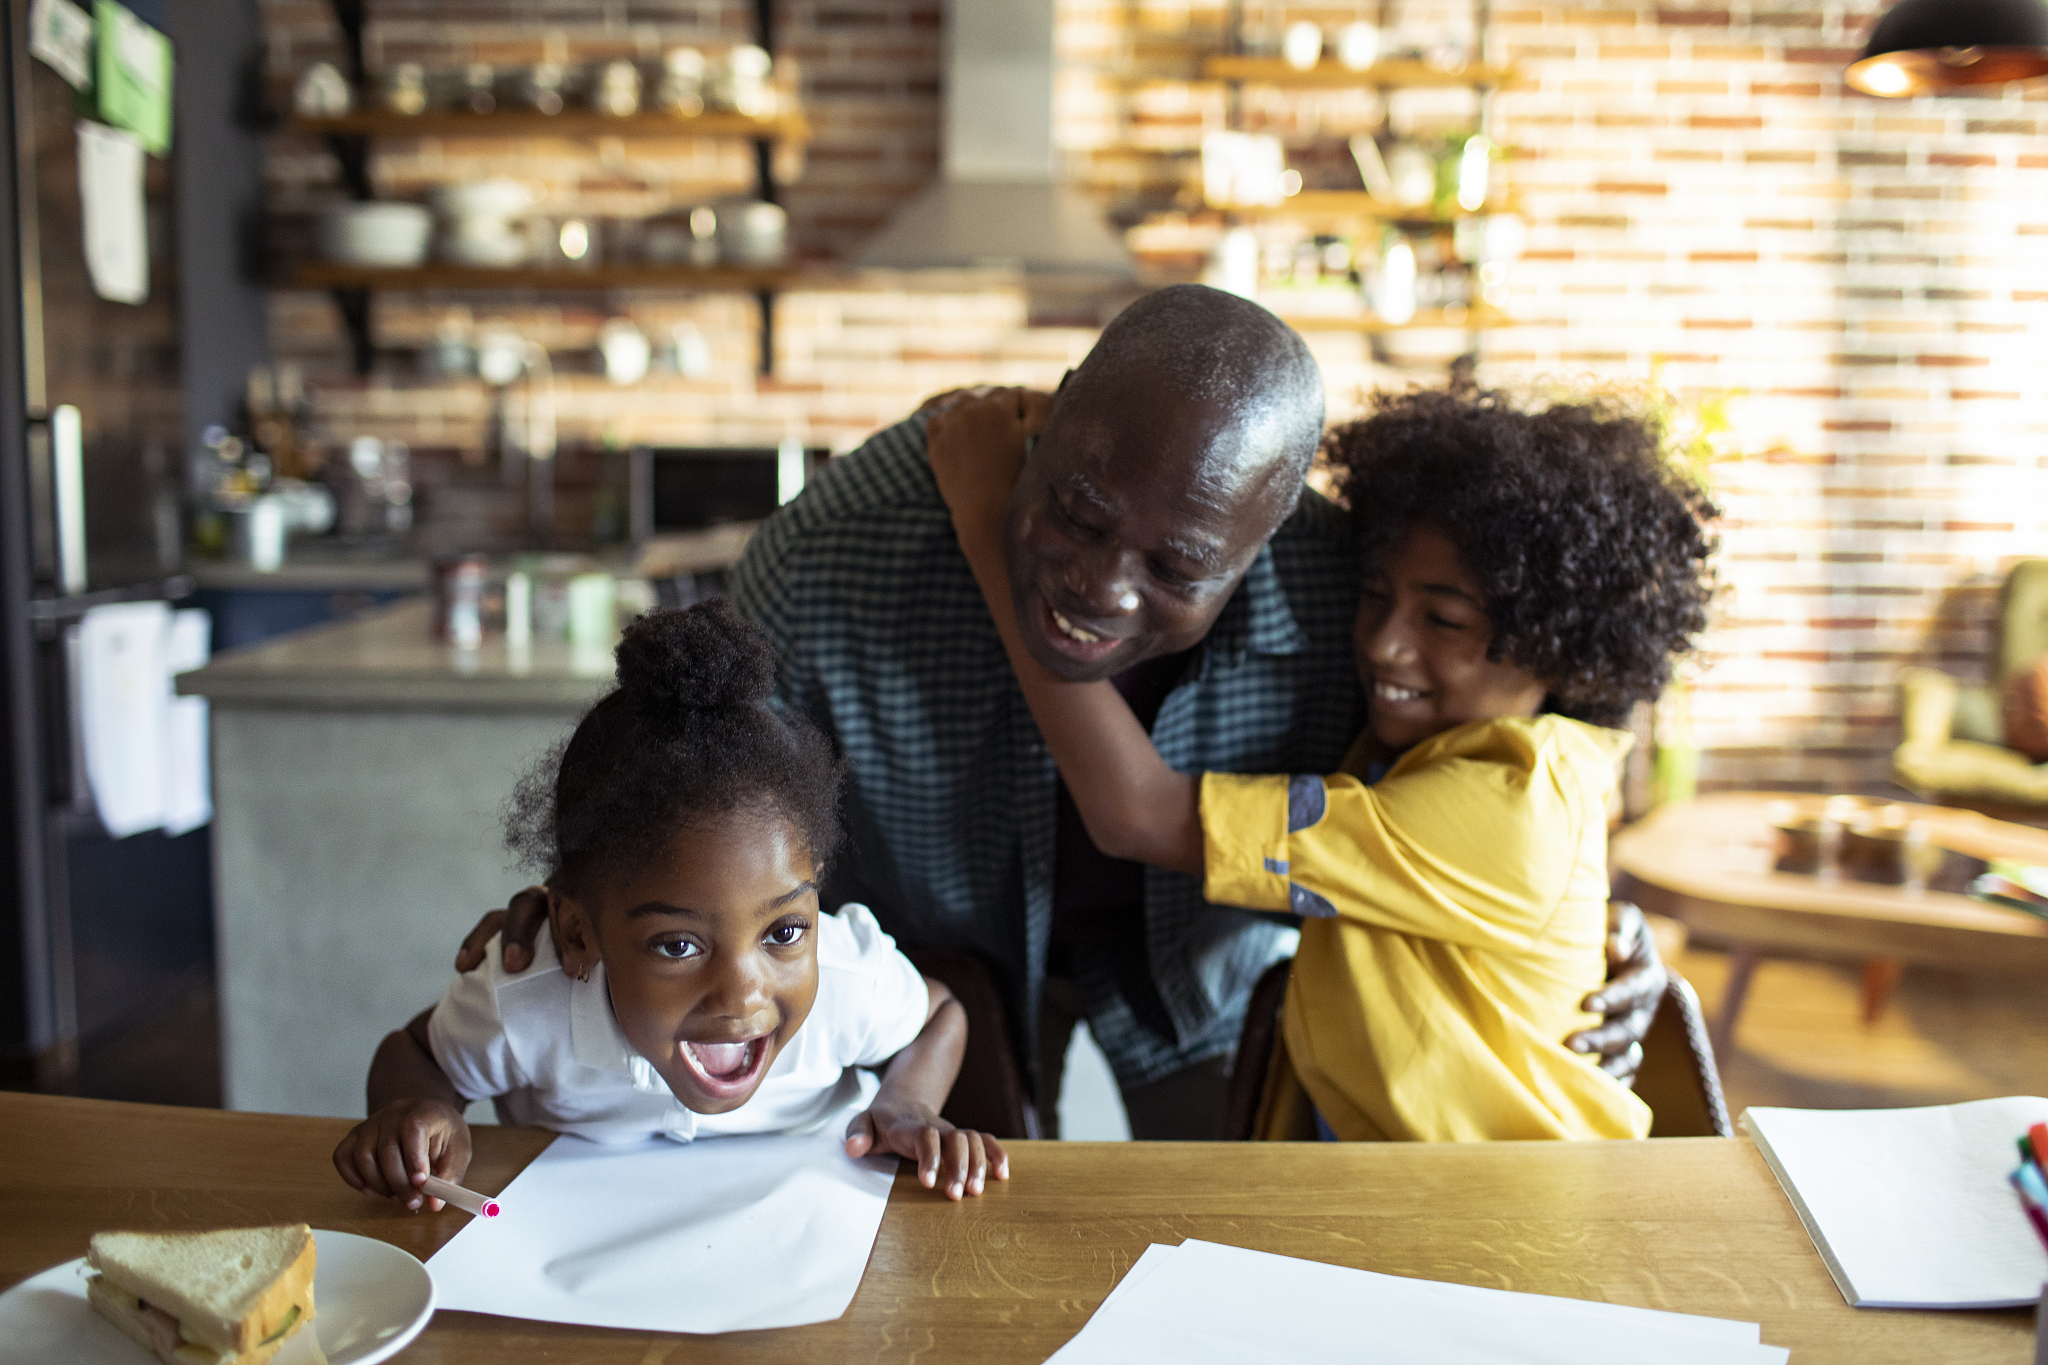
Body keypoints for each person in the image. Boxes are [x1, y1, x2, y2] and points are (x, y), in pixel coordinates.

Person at [462, 285, 1670, 1140]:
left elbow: (1473, 784)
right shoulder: (832, 558)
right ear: (1060, 401)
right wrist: (603, 876)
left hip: (1205, 976)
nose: (1099, 585)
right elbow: (696, 775)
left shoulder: (1344, 587)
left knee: (1217, 1262)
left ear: (1268, 539)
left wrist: (1582, 932)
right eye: (1079, 515)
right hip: (941, 970)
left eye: (1176, 568)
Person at [927, 384, 1718, 1141]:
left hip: (1505, 1212)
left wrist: (989, 520)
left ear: (1562, 643)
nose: (1384, 644)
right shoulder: (1450, 745)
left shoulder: (1509, 802)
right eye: (1375, 596)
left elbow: (1137, 813)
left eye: (1443, 617)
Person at [334, 601, 1009, 1209]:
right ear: (576, 932)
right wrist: (417, 1109)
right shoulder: (527, 1000)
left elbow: (940, 1012)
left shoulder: (844, 983)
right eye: (678, 944)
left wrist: (907, 1102)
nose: (743, 992)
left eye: (784, 930)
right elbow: (415, 1051)